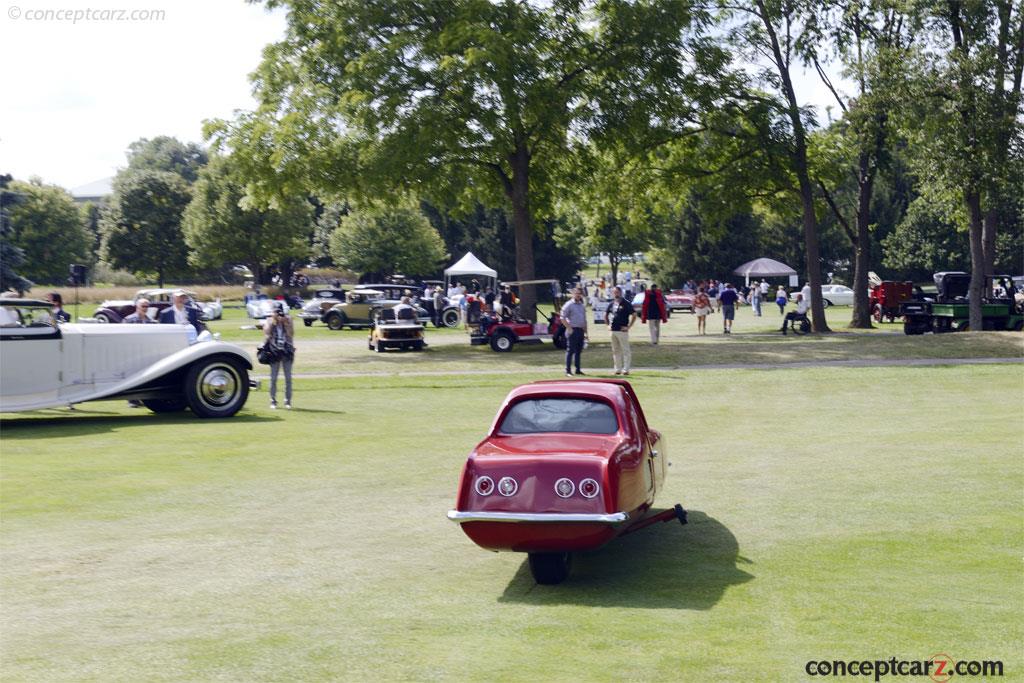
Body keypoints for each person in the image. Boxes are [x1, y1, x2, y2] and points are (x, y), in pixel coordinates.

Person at [263, 302, 295, 409]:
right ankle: (273, 401)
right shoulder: (269, 320)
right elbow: (266, 334)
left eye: (280, 312)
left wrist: (286, 324)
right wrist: (273, 322)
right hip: (274, 352)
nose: (279, 314)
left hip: (287, 351)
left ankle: (288, 401)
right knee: (273, 378)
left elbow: (291, 334)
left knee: (288, 378)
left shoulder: (288, 320)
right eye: (276, 312)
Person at [606, 286, 636, 375]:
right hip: (613, 330)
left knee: (625, 350)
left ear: (621, 293)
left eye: (617, 292)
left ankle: (626, 369)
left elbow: (634, 315)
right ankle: (617, 369)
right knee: (615, 350)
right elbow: (606, 314)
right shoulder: (611, 304)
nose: (616, 294)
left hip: (622, 331)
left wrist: (628, 327)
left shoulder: (626, 303)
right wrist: (607, 325)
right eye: (614, 292)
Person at [559, 287, 588, 377]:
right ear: (573, 294)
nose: (578, 295)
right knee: (570, 351)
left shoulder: (582, 305)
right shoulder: (569, 304)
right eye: (576, 293)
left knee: (578, 351)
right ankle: (568, 371)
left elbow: (584, 320)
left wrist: (586, 333)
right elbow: (562, 317)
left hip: (580, 330)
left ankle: (578, 370)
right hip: (572, 330)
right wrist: (569, 328)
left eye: (579, 294)